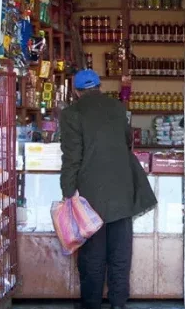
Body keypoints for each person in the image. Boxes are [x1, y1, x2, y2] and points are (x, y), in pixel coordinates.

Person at [60, 69, 157, 309]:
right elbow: (126, 141)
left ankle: (91, 304)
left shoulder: (72, 113)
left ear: (76, 91)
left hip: (91, 194)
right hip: (122, 190)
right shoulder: (117, 108)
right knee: (120, 254)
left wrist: (68, 191)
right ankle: (118, 303)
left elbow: (72, 156)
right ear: (100, 86)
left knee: (93, 256)